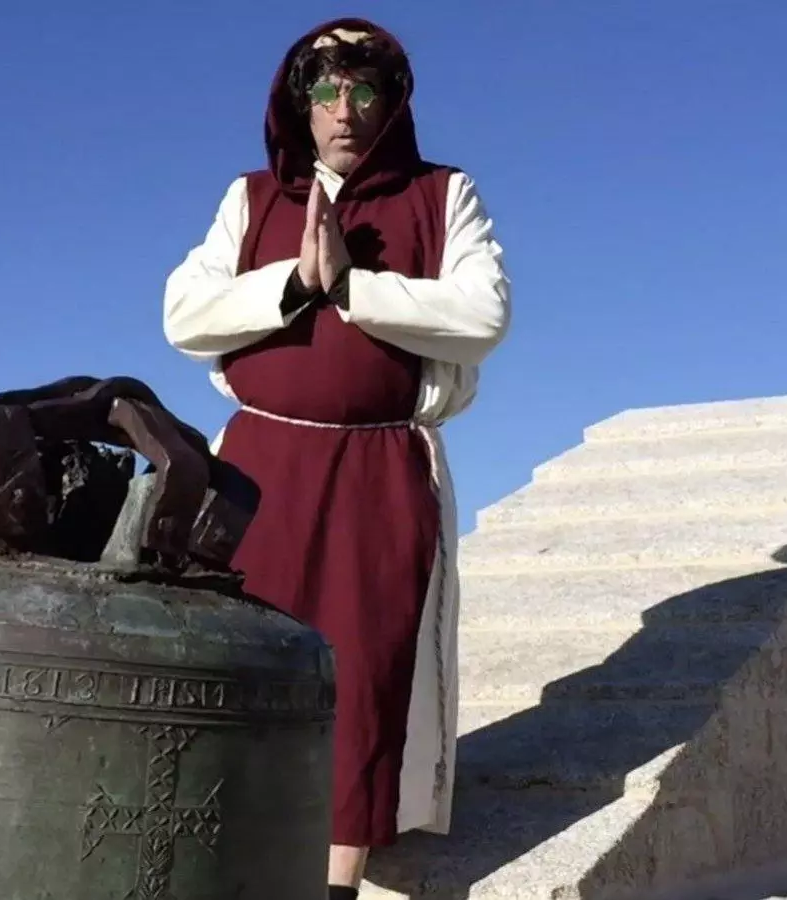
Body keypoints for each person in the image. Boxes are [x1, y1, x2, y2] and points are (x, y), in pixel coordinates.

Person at [162, 16, 511, 899]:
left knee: (364, 668)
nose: (344, 111)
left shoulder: (442, 194)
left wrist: (353, 284)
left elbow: (483, 314)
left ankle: (336, 882)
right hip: (257, 471)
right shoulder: (251, 198)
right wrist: (297, 281)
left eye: (363, 91)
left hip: (380, 470)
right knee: (242, 660)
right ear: (301, 105)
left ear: (392, 102)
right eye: (325, 92)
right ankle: (225, 858)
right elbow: (184, 314)